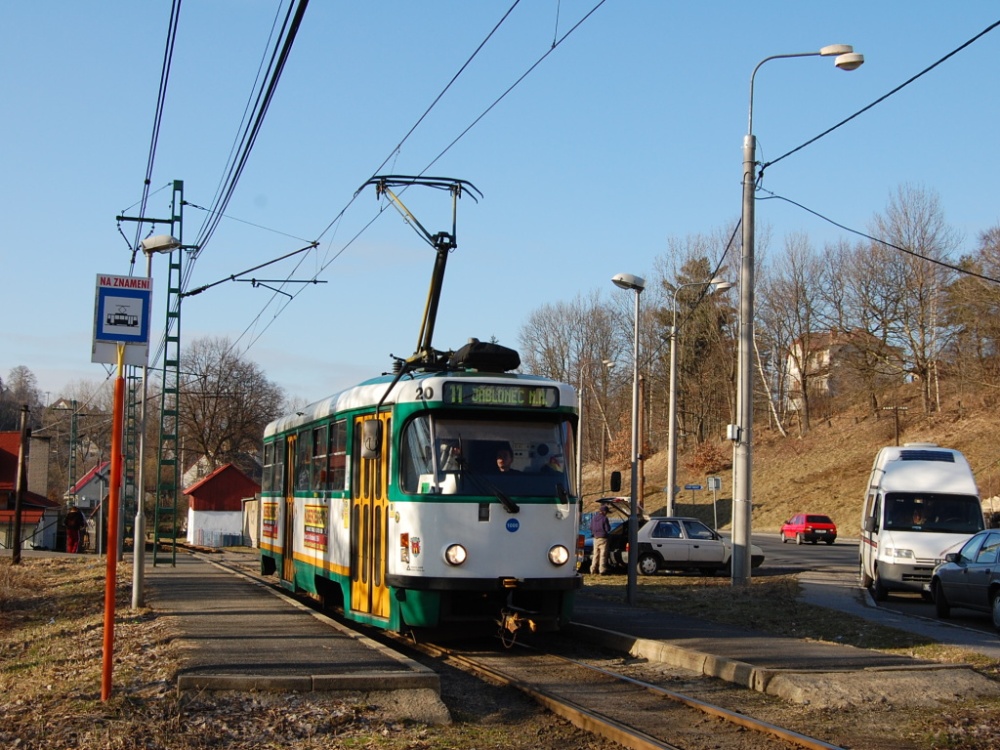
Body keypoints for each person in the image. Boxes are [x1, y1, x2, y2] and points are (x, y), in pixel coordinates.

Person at [589, 503, 612, 575]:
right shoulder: (604, 518)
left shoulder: (594, 518)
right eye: (607, 512)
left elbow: (590, 527)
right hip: (603, 538)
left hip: (595, 538)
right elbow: (608, 529)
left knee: (595, 554)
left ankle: (592, 569)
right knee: (603, 555)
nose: (607, 514)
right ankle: (602, 570)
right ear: (604, 511)